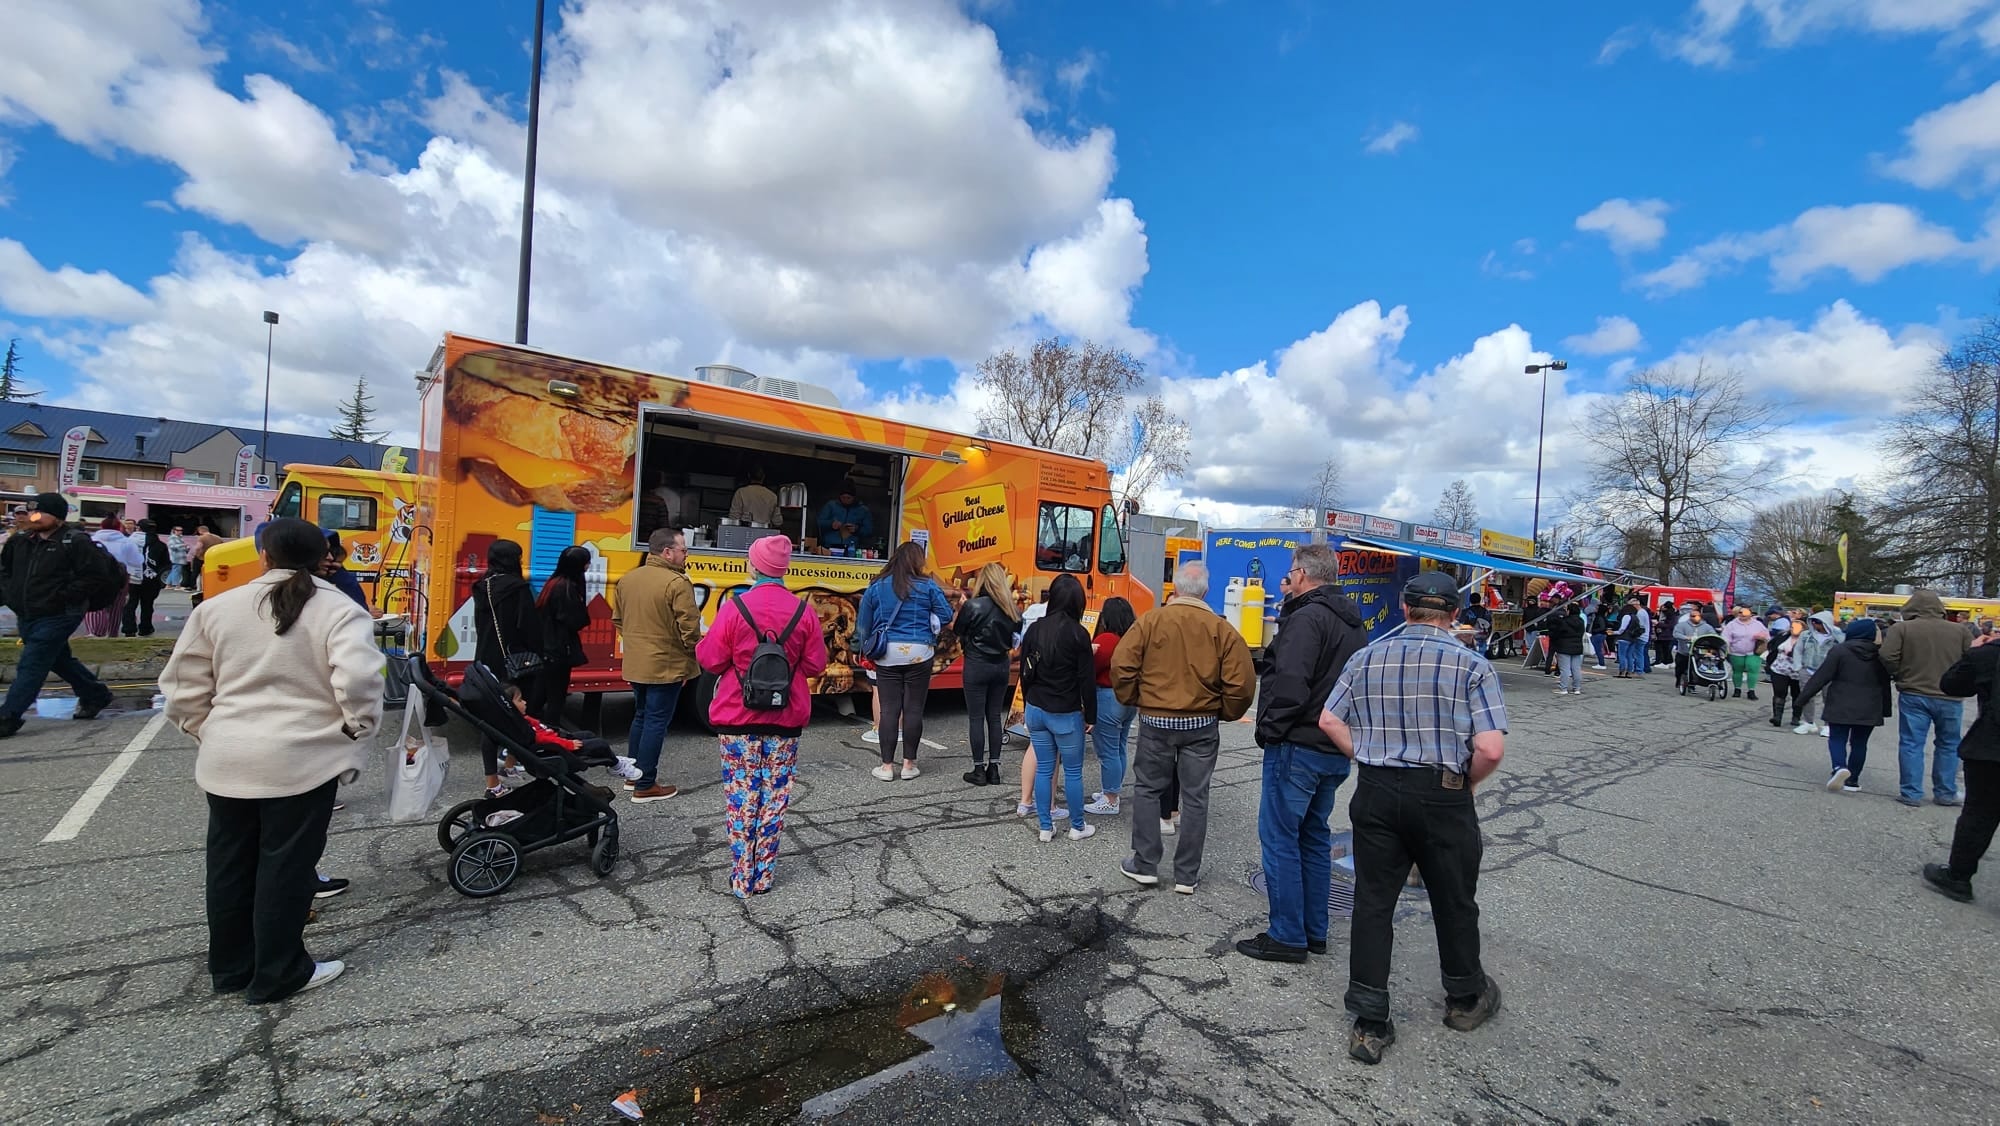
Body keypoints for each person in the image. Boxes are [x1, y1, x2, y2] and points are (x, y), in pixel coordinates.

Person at [160, 517, 383, 1004]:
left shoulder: (217, 608)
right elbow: (361, 682)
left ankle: (232, 967)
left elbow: (182, 688)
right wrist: (354, 730)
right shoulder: (338, 610)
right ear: (324, 556)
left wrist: (207, 730)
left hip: (227, 758)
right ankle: (279, 971)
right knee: (285, 868)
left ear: (262, 555)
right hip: (303, 760)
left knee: (228, 865)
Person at [1318, 570, 1506, 1065]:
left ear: (1405, 609)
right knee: (1453, 899)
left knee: (1374, 902)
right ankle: (1465, 997)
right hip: (1442, 793)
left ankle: (1369, 1019)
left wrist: (1366, 754)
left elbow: (1328, 719)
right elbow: (1489, 747)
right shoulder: (1471, 665)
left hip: (1378, 790)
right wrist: (1465, 782)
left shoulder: (1366, 658)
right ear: (1454, 615)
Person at [1237, 543, 1366, 963]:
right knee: (1313, 838)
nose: (1287, 577)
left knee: (1279, 839)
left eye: (1292, 571)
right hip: (1332, 746)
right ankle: (1314, 930)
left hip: (1299, 745)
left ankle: (1288, 935)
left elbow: (1291, 682)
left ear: (1305, 574)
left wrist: (1269, 731)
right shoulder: (1351, 621)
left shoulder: (1307, 618)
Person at [695, 535, 829, 898]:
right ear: (784, 570)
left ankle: (741, 878)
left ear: (753, 567)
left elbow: (710, 660)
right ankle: (764, 876)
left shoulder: (735, 607)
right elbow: (817, 664)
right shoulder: (804, 611)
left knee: (741, 796)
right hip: (785, 719)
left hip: (737, 717)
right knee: (775, 797)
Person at [1111, 560, 1255, 896]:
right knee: (1195, 798)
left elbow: (1122, 665)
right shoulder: (1222, 630)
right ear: (1206, 590)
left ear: (1173, 589)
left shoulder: (1150, 622)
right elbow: (1242, 684)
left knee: (1147, 789)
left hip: (1156, 721)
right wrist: (1223, 711)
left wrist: (1139, 699)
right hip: (1201, 724)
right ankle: (1186, 875)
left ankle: (1145, 864)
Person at [0, 493, 116, 737]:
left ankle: (8, 715)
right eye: (32, 512)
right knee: (56, 658)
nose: (34, 517)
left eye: (41, 513)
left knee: (32, 662)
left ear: (58, 517)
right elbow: (5, 572)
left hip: (60, 613)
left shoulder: (75, 542)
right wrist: (9, 595)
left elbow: (95, 576)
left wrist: (63, 595)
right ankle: (95, 694)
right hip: (28, 612)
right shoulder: (19, 541)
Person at [612, 528, 701, 804]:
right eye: (683, 550)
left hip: (637, 663)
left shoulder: (627, 579)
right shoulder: (676, 583)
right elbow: (689, 627)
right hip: (666, 664)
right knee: (656, 721)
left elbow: (618, 620)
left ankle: (633, 774)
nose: (686, 555)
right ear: (667, 552)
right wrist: (691, 653)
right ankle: (646, 784)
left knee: (641, 715)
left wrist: (638, 643)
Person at [855, 541, 954, 781]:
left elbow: (863, 624)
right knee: (913, 709)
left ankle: (887, 767)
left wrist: (859, 648)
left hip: (888, 653)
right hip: (920, 652)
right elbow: (947, 615)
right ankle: (909, 765)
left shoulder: (877, 586)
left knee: (889, 709)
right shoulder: (928, 586)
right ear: (918, 562)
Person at [1923, 631, 2000, 902]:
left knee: (1979, 815)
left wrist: (1973, 653)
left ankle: (1958, 877)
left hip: (1991, 748)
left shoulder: (1990, 653)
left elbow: (1953, 685)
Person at [1020, 574, 1097, 842]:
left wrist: (1029, 701)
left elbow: (1024, 672)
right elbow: (1087, 679)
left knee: (1044, 767)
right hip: (1066, 711)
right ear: (1078, 602)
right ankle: (1077, 826)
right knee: (1073, 771)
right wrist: (1092, 715)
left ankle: (1045, 826)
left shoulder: (1035, 629)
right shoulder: (1079, 634)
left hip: (1036, 707)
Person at [1881, 589, 1971, 808]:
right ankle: (1946, 792)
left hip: (1914, 692)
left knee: (1912, 743)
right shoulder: (1960, 631)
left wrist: (1899, 673)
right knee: (1949, 744)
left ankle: (1911, 793)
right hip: (1950, 695)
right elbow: (1971, 660)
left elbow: (1886, 655)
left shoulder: (1902, 628)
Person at [472, 539, 544, 799]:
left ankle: (498, 776)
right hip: (515, 660)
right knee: (518, 712)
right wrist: (539, 654)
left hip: (486, 658)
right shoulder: (517, 587)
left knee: (493, 719)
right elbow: (529, 626)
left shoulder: (483, 586)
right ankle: (504, 772)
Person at [1797, 619, 1893, 793]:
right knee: (1860, 743)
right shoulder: (1880, 655)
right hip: (1870, 705)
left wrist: (1802, 699)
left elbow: (1821, 677)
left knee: (1837, 738)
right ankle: (1853, 780)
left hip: (1841, 701)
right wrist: (1885, 709)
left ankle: (1839, 767)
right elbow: (1885, 684)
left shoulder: (1840, 651)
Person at [951, 561, 1020, 786]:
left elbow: (959, 629)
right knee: (994, 717)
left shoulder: (973, 606)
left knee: (976, 718)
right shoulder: (1013, 609)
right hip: (1001, 666)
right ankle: (995, 769)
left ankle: (978, 769)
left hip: (976, 664)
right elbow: (1016, 636)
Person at [1085, 597, 1139, 815]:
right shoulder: (1134, 638)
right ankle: (1112, 791)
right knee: (1119, 747)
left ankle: (1110, 797)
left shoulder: (1106, 639)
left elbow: (1092, 667)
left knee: (1107, 750)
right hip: (1129, 698)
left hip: (1107, 697)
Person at [532, 545, 593, 728]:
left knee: (540, 695)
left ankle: (533, 731)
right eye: (586, 562)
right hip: (558, 650)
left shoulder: (554, 583)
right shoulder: (567, 588)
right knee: (556, 698)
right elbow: (577, 620)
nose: (588, 566)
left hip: (547, 648)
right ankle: (551, 734)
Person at [87, 517, 141, 638]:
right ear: (119, 527)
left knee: (95, 603)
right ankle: (112, 633)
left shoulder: (91, 540)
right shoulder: (127, 542)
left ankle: (95, 632)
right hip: (120, 576)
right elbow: (137, 561)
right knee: (116, 606)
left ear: (101, 527)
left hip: (95, 575)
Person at [1790, 611, 1840, 735]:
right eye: (1813, 621)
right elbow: (1798, 650)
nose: (1815, 624)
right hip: (1807, 670)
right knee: (1807, 696)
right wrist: (1798, 667)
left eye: (1818, 622)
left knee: (1829, 698)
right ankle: (1808, 722)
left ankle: (1828, 725)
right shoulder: (1806, 635)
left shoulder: (1837, 636)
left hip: (1829, 672)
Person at [125, 520, 171, 637]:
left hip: (131, 578)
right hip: (151, 579)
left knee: (130, 604)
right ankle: (145, 628)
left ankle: (129, 628)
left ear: (138, 528)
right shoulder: (160, 545)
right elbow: (165, 565)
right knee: (147, 605)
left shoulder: (128, 542)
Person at [1765, 617, 1807, 728]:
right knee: (1779, 692)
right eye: (1793, 627)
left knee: (1797, 694)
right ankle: (1777, 717)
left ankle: (1796, 717)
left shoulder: (1807, 640)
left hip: (1797, 671)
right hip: (1780, 669)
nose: (1794, 629)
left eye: (1798, 627)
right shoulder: (1783, 636)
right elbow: (1771, 646)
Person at [315, 531, 372, 612]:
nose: (330, 557)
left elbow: (359, 610)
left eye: (339, 562)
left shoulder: (342, 579)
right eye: (324, 552)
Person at [1722, 606, 1770, 700]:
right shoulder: (1732, 624)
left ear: (1750, 614)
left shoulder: (1757, 624)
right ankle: (1737, 689)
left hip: (1754, 651)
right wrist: (1727, 646)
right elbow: (1725, 637)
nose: (1743, 615)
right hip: (1736, 651)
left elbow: (1767, 636)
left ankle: (1751, 691)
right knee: (1737, 670)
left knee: (1753, 669)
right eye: (1740, 613)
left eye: (1745, 613)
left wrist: (1761, 637)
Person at [816, 483, 874, 555]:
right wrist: (831, 524)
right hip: (829, 547)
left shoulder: (863, 510)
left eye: (848, 498)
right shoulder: (830, 505)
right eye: (843, 497)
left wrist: (857, 529)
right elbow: (818, 523)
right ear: (839, 496)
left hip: (851, 549)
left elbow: (869, 530)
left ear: (854, 497)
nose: (845, 500)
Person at [1548, 597, 1588, 696]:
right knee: (1576, 668)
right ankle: (1577, 688)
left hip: (1564, 647)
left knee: (1565, 669)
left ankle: (1563, 688)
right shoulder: (1581, 621)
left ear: (1569, 611)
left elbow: (1558, 633)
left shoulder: (1564, 621)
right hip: (1577, 647)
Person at [1613, 596, 1646, 679]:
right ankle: (1629, 671)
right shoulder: (1635, 617)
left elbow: (1622, 629)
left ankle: (1622, 671)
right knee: (1629, 655)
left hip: (1624, 638)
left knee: (1622, 655)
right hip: (1632, 638)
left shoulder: (1626, 617)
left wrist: (1614, 632)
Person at [1654, 599, 1677, 670]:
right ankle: (1669, 662)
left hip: (1666, 635)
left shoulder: (1669, 615)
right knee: (1666, 649)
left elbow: (1669, 625)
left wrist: (1658, 624)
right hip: (1666, 635)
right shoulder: (1671, 614)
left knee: (1665, 649)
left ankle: (1666, 662)